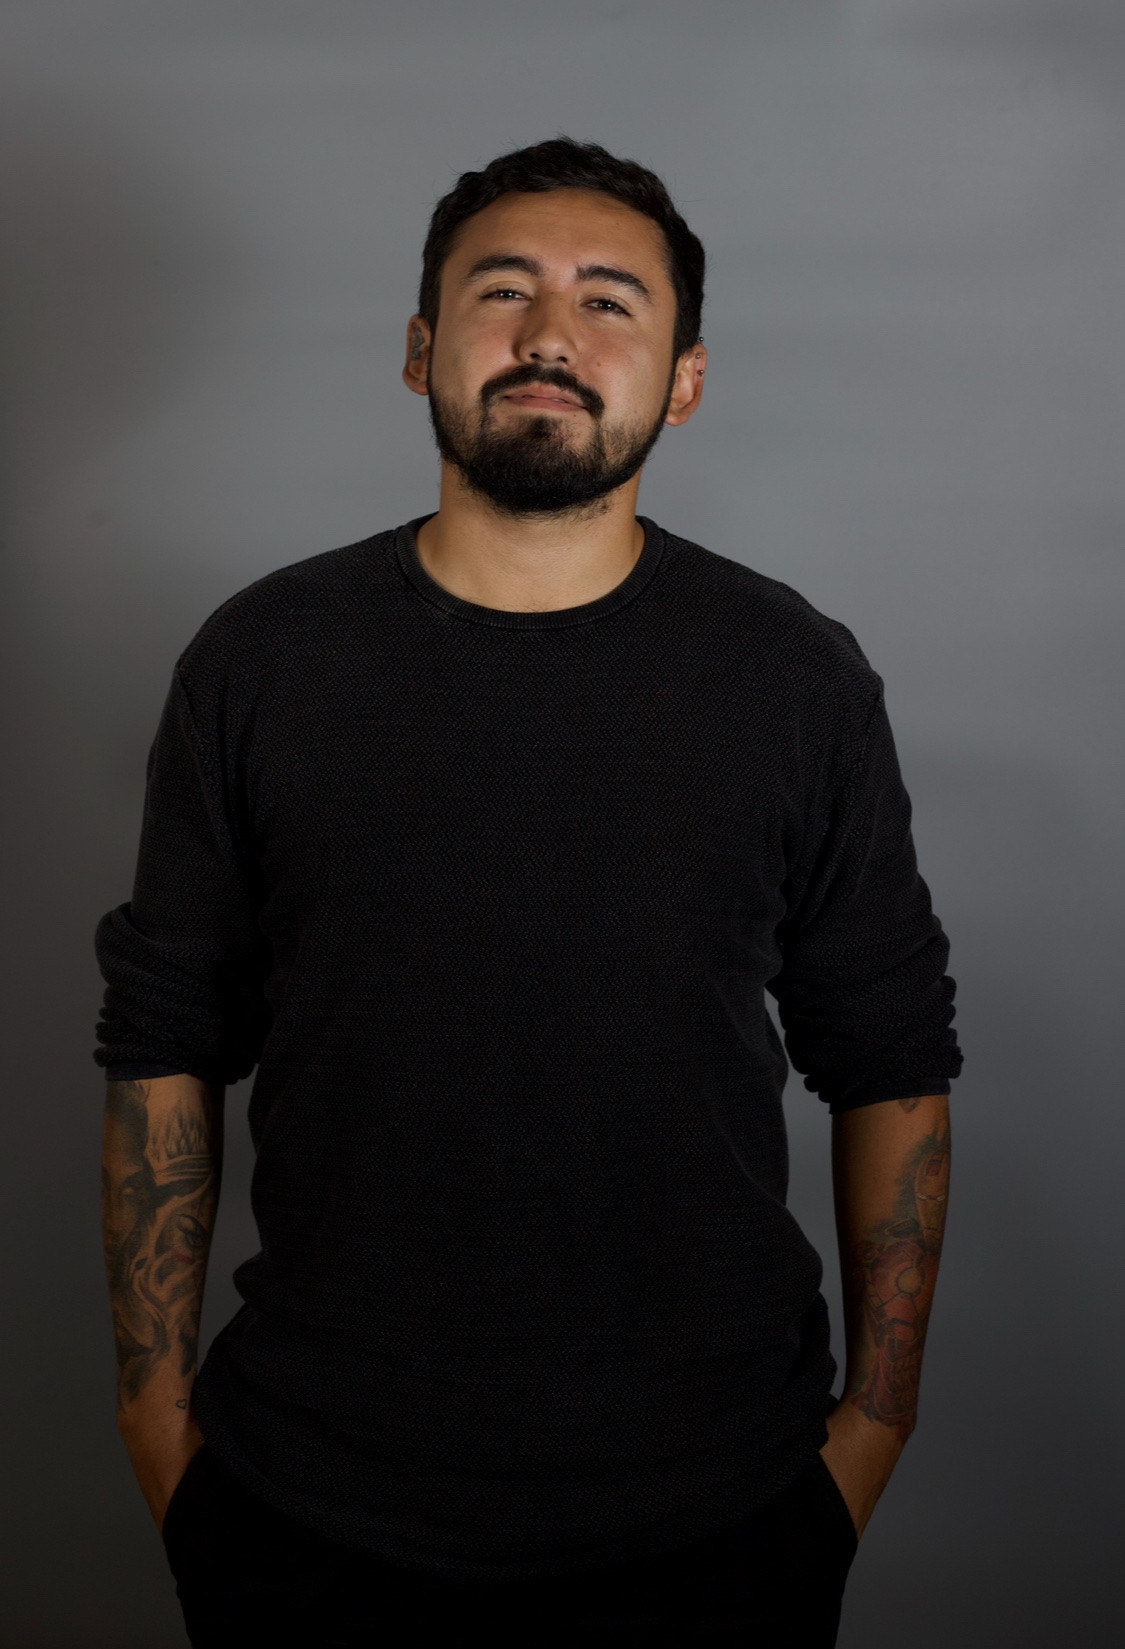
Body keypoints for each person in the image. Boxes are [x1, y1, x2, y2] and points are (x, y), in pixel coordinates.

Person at [96, 137, 961, 1648]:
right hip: (305, 1510)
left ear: (683, 381)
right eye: (502, 291)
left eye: (610, 301)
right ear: (420, 347)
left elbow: (889, 1050)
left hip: (722, 1513)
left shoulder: (794, 679)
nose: (552, 334)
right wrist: (158, 1427)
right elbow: (167, 1032)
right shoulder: (260, 661)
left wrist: (873, 1427)